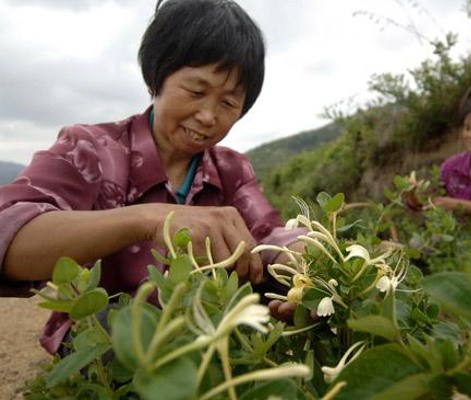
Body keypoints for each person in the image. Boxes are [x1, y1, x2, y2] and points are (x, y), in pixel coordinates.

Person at [0, 0, 303, 354]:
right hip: (108, 335)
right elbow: (8, 233)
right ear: (155, 78)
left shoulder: (232, 168)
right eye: (196, 92)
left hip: (202, 325)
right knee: (121, 328)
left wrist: (300, 256)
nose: (208, 116)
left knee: (283, 291)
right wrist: (150, 219)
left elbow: (267, 234)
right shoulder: (90, 150)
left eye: (228, 103)